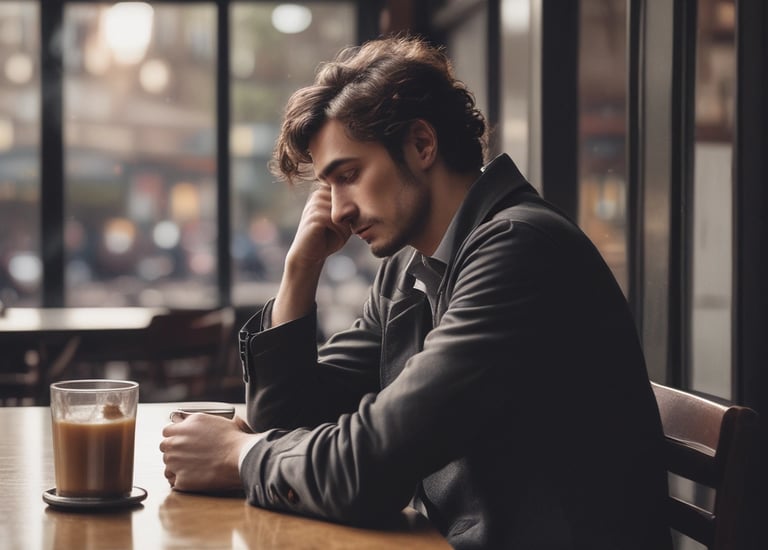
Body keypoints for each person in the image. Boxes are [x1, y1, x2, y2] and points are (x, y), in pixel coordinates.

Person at [160, 35, 673, 549]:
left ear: (422, 144)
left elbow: (371, 466)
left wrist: (238, 456)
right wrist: (301, 269)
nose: (337, 211)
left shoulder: (519, 251)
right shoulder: (412, 271)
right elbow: (287, 421)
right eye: (328, 187)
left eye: (350, 175)